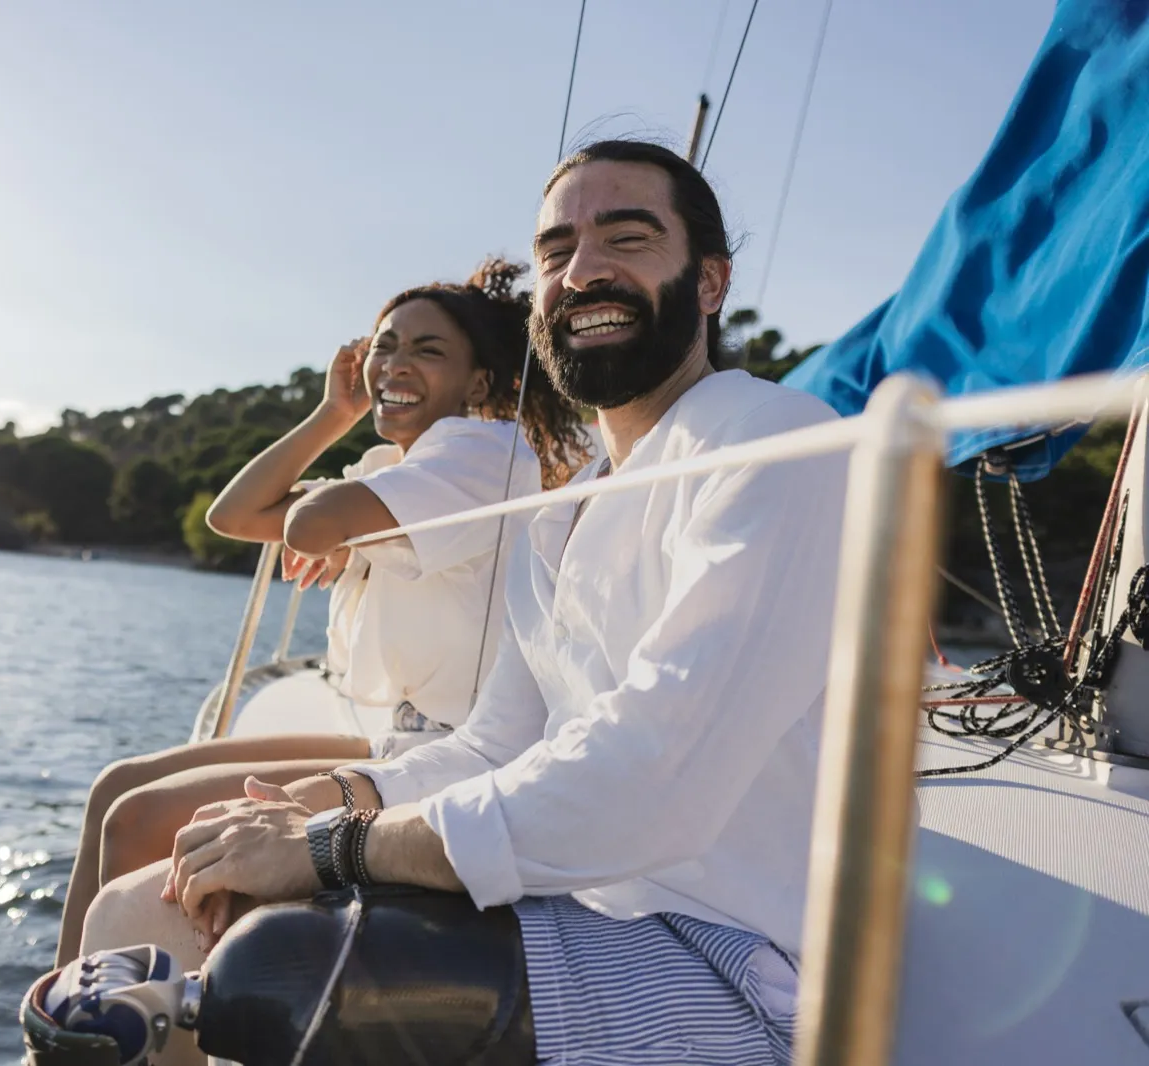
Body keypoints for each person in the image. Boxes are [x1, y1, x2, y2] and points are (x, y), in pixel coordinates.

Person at [74, 138, 850, 1066]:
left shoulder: (770, 438)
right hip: (572, 900)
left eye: (629, 239)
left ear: (710, 282)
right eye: (556, 251)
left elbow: (653, 780)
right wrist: (314, 809)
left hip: (720, 958)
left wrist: (328, 847)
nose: (583, 270)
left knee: (272, 972)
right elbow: (493, 747)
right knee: (147, 905)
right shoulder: (565, 510)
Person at [52, 259, 590, 967]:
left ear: (480, 383)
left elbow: (305, 528)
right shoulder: (399, 469)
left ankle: (105, 1015)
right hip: (407, 738)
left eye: (427, 351)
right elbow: (233, 515)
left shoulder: (481, 451)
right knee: (115, 788)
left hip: (461, 751)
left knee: (135, 817)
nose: (395, 363)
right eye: (384, 347)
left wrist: (337, 528)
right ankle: (65, 1019)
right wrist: (333, 414)